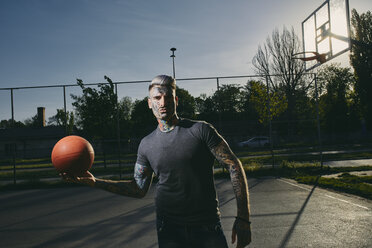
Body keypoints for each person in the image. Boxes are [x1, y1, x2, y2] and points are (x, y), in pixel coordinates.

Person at [62, 75, 251, 248]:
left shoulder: (200, 130)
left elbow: (234, 166)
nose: (163, 102)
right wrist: (95, 183)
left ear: (176, 100)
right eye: (157, 98)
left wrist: (243, 218)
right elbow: (138, 188)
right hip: (169, 230)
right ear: (149, 102)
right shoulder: (146, 144)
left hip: (206, 227)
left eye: (168, 97)